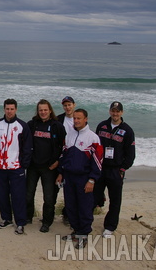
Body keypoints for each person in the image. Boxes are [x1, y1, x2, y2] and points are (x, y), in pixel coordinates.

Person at [56, 109, 103, 248]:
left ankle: (84, 234)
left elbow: (98, 161)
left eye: (79, 118)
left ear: (85, 119)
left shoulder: (93, 138)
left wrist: (92, 180)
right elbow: (63, 156)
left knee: (84, 207)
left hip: (84, 178)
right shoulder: (69, 135)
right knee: (71, 206)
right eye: (75, 118)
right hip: (69, 177)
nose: (76, 121)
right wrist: (60, 172)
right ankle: (75, 231)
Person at [0, 98, 32, 235]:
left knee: (18, 196)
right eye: (7, 109)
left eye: (12, 109)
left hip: (16, 168)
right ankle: (6, 219)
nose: (9, 111)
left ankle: (20, 222)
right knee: (2, 195)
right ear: (4, 109)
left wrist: (23, 165)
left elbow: (27, 147)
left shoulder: (22, 126)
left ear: (16, 109)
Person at [94, 101, 136, 238]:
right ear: (109, 111)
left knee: (115, 200)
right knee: (93, 197)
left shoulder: (128, 130)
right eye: (113, 111)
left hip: (116, 170)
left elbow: (131, 154)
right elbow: (95, 146)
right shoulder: (102, 126)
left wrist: (123, 168)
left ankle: (110, 227)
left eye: (118, 111)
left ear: (122, 113)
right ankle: (86, 221)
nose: (115, 113)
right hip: (101, 168)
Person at [26, 99, 66, 233]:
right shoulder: (31, 124)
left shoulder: (57, 126)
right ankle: (28, 217)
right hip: (33, 166)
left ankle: (47, 222)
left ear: (50, 111)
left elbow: (64, 147)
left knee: (49, 198)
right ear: (37, 111)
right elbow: (23, 142)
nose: (43, 112)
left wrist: (58, 162)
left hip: (50, 168)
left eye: (45, 110)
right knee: (28, 194)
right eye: (40, 110)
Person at [56, 95, 76, 224]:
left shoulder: (79, 118)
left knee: (72, 188)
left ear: (74, 105)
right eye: (65, 105)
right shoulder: (59, 119)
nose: (67, 107)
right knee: (60, 186)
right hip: (62, 156)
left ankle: (68, 214)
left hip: (75, 156)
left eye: (69, 105)